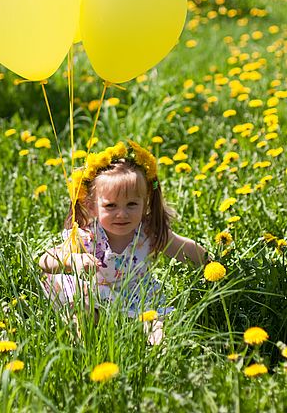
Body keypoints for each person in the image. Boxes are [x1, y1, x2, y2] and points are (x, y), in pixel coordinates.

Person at [39, 140, 210, 345]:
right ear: (92, 206)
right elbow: (44, 260)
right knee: (83, 312)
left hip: (137, 295)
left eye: (131, 204)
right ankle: (80, 349)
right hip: (95, 293)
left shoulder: (148, 232)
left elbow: (184, 249)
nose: (122, 214)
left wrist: (212, 263)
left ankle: (160, 353)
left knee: (155, 321)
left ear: (145, 202)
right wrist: (72, 260)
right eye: (111, 206)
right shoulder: (87, 236)